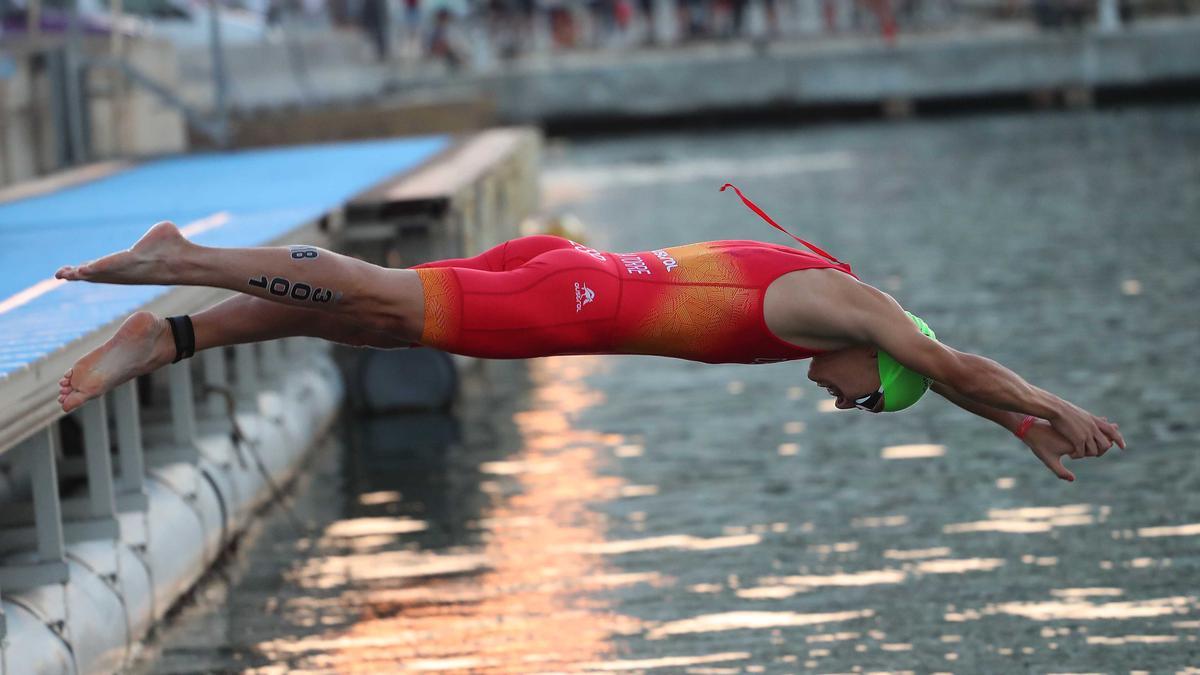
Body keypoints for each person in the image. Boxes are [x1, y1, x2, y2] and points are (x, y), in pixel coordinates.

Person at [54, 185, 1124, 482]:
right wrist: (1044, 408)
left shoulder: (827, 307)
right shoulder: (848, 311)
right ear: (877, 359)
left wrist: (1009, 422)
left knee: (380, 329)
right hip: (567, 305)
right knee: (379, 297)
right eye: (860, 395)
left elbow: (939, 367)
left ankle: (175, 338)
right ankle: (181, 258)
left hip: (559, 277)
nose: (838, 398)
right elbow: (948, 362)